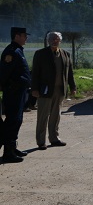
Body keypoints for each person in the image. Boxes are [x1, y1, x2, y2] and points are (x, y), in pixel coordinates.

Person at [31, 31, 76, 150]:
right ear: (47, 40)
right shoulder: (40, 54)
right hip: (45, 91)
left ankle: (54, 138)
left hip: (60, 90)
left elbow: (70, 73)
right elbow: (35, 73)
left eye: (56, 39)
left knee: (56, 116)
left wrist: (73, 87)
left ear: (60, 41)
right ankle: (41, 141)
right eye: (51, 38)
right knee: (43, 116)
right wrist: (34, 88)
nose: (54, 40)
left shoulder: (65, 54)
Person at [0, 27, 32, 163]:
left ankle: (13, 147)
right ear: (17, 36)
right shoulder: (11, 52)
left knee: (17, 120)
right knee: (12, 120)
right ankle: (8, 152)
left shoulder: (18, 50)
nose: (26, 38)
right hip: (13, 92)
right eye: (24, 35)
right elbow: (4, 74)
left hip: (20, 92)